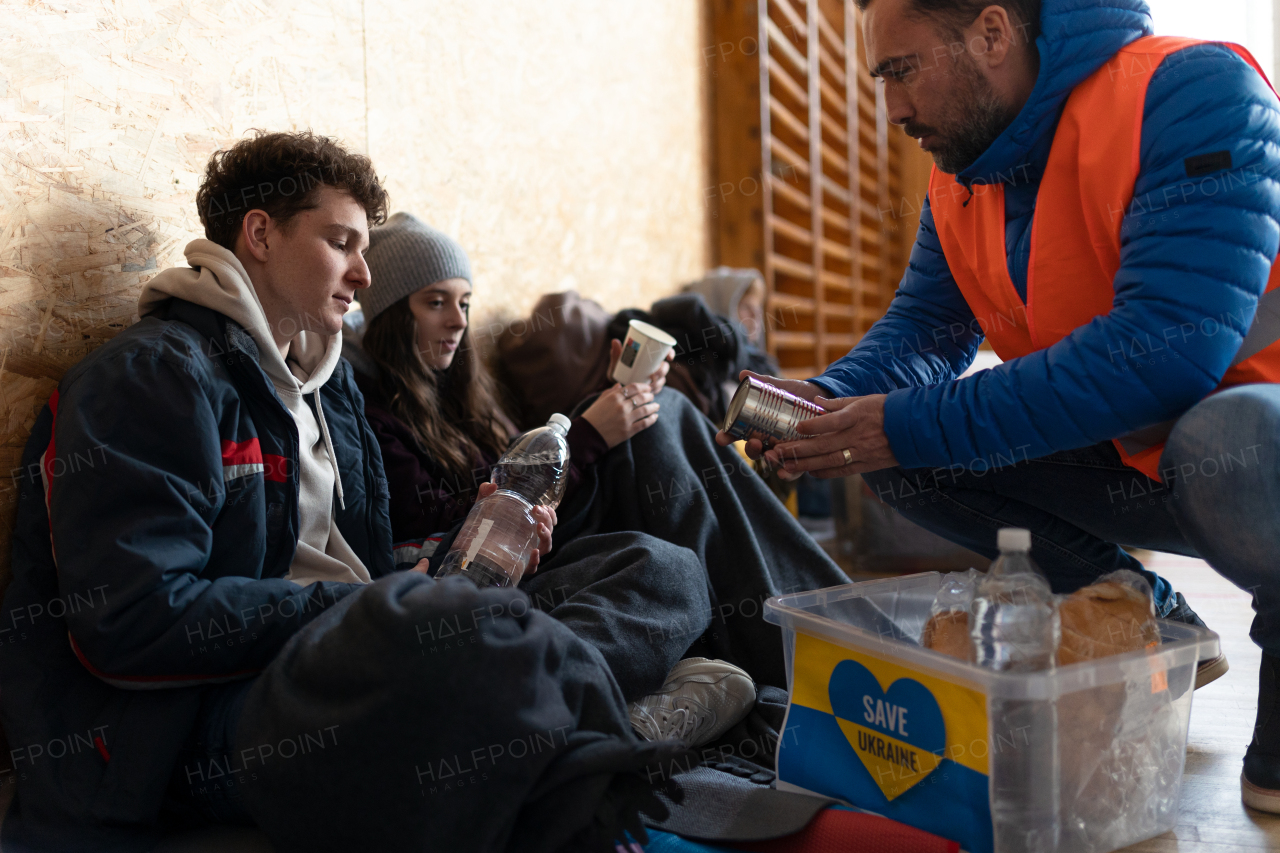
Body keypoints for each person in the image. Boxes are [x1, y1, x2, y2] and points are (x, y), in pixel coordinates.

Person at [0, 131, 694, 852]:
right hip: (203, 721)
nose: (365, 274)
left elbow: (370, 572)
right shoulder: (151, 379)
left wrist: (461, 558)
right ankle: (575, 723)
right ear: (261, 234)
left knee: (656, 569)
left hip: (362, 649)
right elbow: (132, 621)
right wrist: (381, 608)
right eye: (342, 243)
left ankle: (529, 697)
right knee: (465, 644)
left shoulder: (331, 392)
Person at [720, 0, 1280, 812]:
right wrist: (835, 403)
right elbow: (922, 330)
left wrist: (903, 421)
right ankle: (1148, 618)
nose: (893, 110)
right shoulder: (964, 171)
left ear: (991, 34)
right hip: (1134, 459)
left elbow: (1167, 351)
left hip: (1245, 454)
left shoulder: (1191, 91)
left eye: (901, 71)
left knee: (1231, 434)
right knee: (894, 453)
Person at [346, 213, 852, 747]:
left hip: (552, 543)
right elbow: (454, 528)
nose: (457, 321)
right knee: (671, 561)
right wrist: (590, 433)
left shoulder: (467, 399)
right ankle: (814, 643)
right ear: (390, 314)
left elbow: (529, 465)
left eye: (464, 302)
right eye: (435, 302)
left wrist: (611, 405)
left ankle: (820, 629)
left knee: (662, 413)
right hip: (491, 579)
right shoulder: (374, 418)